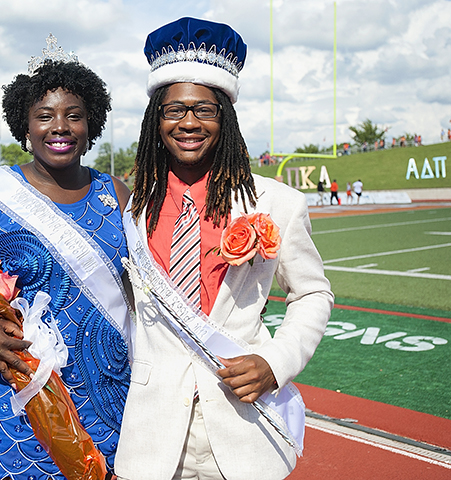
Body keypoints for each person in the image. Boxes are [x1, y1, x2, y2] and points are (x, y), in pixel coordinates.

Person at [116, 17, 333, 480]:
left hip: (243, 428)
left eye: (204, 109)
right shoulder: (130, 207)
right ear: (156, 121)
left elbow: (313, 294)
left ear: (225, 118)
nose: (188, 123)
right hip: (153, 436)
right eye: (173, 110)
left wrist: (276, 363)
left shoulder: (277, 203)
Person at [0, 36, 132, 480]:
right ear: (24, 128)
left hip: (113, 384)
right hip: (24, 387)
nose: (60, 126)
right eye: (44, 116)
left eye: (74, 116)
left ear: (92, 124)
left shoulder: (117, 193)